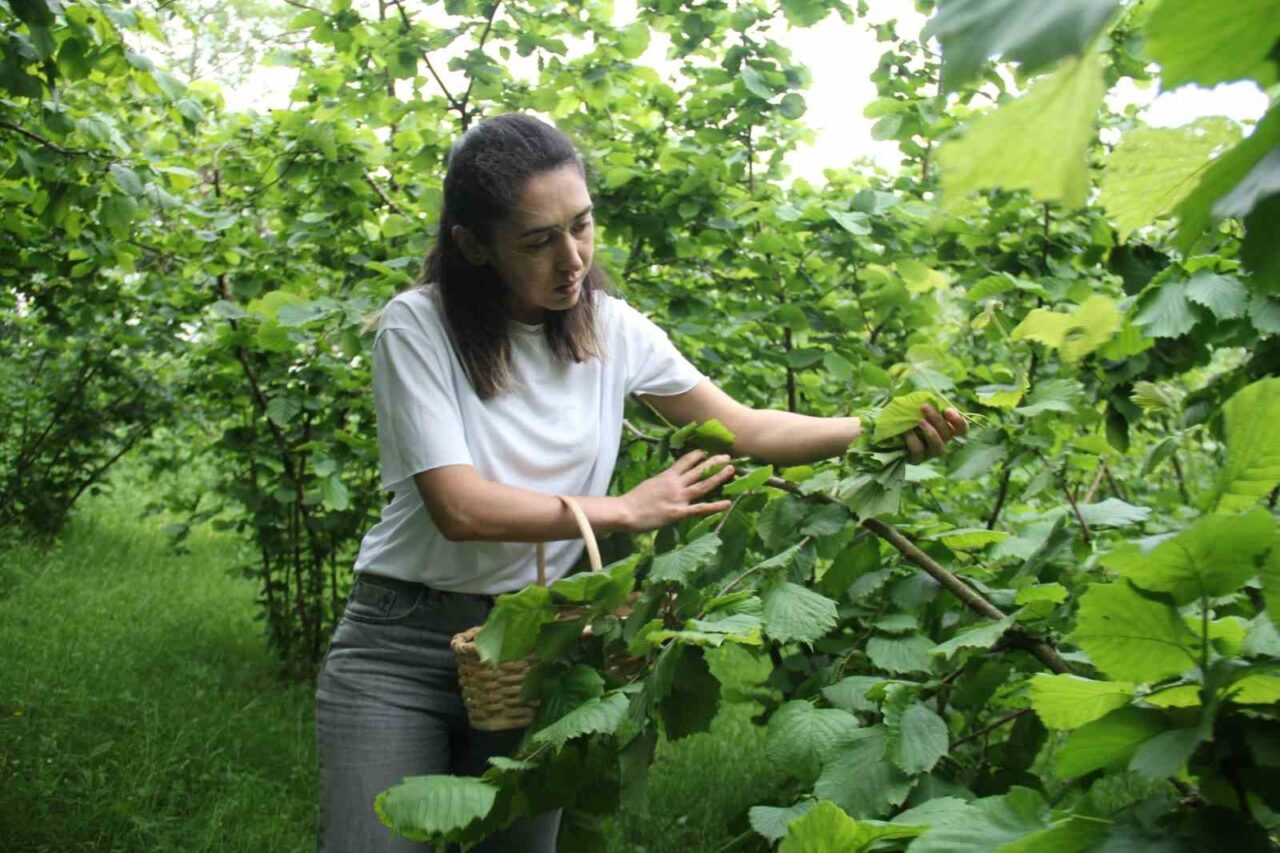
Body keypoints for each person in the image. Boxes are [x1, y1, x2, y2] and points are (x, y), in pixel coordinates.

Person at [314, 112, 968, 852]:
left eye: (582, 225)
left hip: (538, 647)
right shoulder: (417, 328)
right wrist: (624, 509)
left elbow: (746, 428)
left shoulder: (612, 330)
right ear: (472, 245)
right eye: (538, 241)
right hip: (400, 646)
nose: (572, 259)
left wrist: (875, 427)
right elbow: (458, 507)